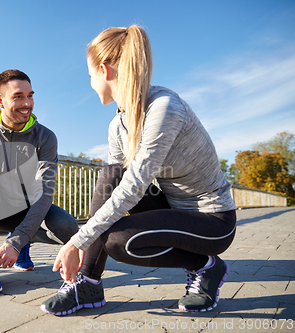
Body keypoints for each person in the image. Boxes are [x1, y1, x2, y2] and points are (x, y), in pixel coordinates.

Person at [41, 25, 236, 315]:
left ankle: (207, 266)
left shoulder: (164, 108)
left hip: (212, 220)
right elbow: (117, 186)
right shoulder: (117, 125)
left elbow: (134, 188)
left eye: (90, 75)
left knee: (119, 241)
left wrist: (76, 241)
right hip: (171, 206)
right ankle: (88, 283)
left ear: (104, 71)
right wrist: (85, 239)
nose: (91, 82)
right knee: (109, 176)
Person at [0, 69, 78, 294]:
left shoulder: (45, 137)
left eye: (30, 95)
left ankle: (23, 242)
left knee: (68, 227)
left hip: (26, 209)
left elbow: (46, 193)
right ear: (0, 101)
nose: (27, 103)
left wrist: (16, 242)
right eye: (18, 96)